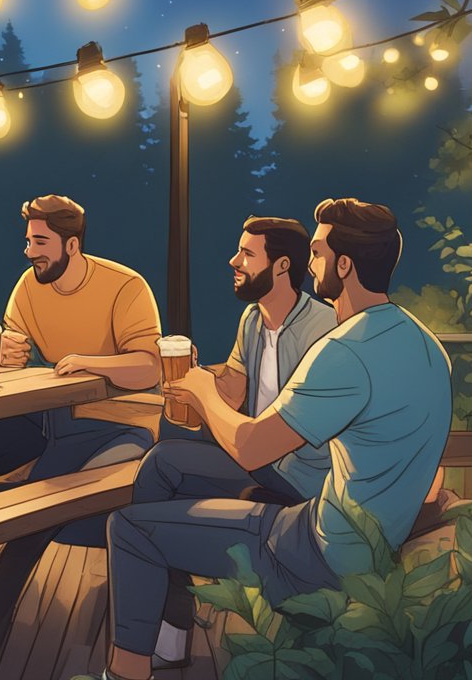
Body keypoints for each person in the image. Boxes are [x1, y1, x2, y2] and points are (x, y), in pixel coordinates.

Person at [80, 198, 452, 680]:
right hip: (360, 538)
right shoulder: (424, 342)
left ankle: (126, 671)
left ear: (344, 264)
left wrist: (201, 394)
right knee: (164, 463)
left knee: (128, 529)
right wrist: (206, 386)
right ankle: (167, 633)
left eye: (316, 253)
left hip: (319, 552)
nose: (310, 264)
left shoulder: (341, 347)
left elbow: (256, 445)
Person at [128, 215, 337, 667]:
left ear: (282, 266)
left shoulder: (322, 328)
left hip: (302, 475)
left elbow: (293, 431)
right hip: (261, 461)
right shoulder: (252, 318)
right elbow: (236, 388)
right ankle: (173, 623)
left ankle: (164, 620)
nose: (234, 261)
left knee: (164, 467)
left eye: (247, 253)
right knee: (161, 462)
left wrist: (208, 398)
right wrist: (198, 378)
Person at [0, 194, 162, 602]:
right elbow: (17, 355)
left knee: (38, 500)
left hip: (116, 421)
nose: (29, 252)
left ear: (71, 245)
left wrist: (89, 363)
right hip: (46, 415)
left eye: (40, 243)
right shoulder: (28, 288)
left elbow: (150, 367)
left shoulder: (125, 286)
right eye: (28, 242)